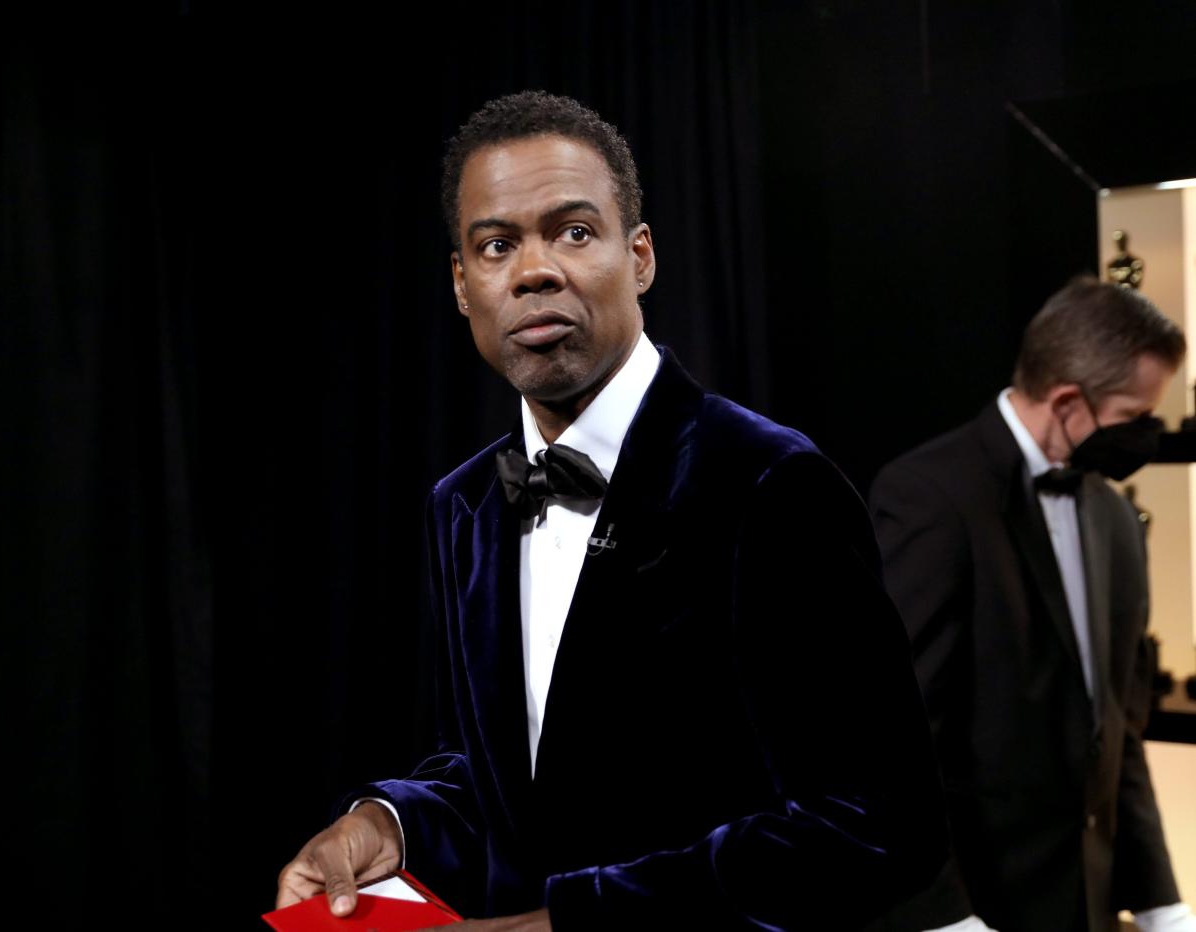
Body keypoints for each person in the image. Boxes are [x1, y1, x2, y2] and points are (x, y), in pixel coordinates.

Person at [276, 90, 948, 929]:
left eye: (574, 232)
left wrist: (573, 921)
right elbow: (512, 779)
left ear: (642, 258)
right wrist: (389, 822)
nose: (534, 270)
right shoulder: (465, 506)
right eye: (495, 245)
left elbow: (883, 823)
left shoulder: (769, 482)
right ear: (460, 284)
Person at [869, 279, 1195, 932]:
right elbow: (890, 735)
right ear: (1069, 402)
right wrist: (943, 914)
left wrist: (1161, 901)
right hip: (975, 906)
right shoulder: (931, 496)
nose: (1147, 438)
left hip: (1089, 904)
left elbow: (1116, 732)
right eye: (1135, 417)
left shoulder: (1115, 517)